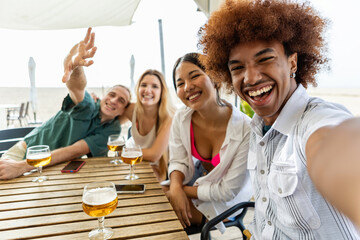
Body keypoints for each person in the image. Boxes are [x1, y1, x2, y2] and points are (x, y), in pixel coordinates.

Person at [198, 0, 360, 238]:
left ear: (292, 62)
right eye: (238, 68)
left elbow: (334, 145)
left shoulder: (315, 122)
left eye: (264, 59)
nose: (250, 78)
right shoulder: (257, 128)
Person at [0, 28, 131, 180]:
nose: (114, 100)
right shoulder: (89, 105)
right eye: (112, 94)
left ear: (123, 111)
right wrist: (76, 68)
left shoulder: (112, 128)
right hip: (24, 155)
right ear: (103, 97)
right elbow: (78, 87)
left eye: (121, 100)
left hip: (52, 168)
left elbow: (74, 151)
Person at [163, 52, 252, 234]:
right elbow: (178, 161)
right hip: (199, 179)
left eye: (195, 76)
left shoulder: (245, 129)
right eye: (180, 83)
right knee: (149, 194)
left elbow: (227, 191)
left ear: (214, 78)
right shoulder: (182, 117)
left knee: (161, 208)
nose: (187, 87)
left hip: (226, 201)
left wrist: (180, 191)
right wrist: (175, 186)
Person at [123, 69, 175, 182]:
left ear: (162, 92)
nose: (147, 90)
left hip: (163, 169)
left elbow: (154, 155)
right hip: (138, 163)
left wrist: (123, 152)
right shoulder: (131, 109)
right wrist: (97, 101)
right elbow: (110, 112)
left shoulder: (169, 116)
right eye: (144, 85)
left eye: (155, 86)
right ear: (138, 88)